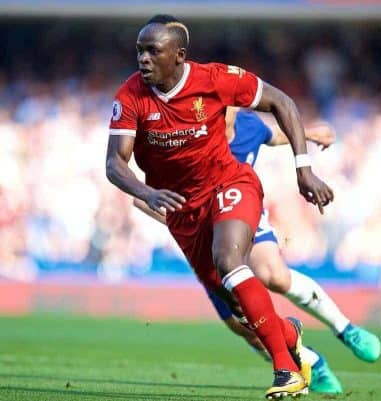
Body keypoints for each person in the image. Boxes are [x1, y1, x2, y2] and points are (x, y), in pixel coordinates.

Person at [106, 14, 334, 398]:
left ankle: (287, 372)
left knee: (230, 261)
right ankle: (289, 333)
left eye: (153, 51)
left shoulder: (214, 79)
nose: (143, 59)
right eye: (140, 51)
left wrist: (303, 168)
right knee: (237, 305)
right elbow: (115, 163)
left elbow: (280, 101)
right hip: (183, 210)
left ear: (179, 56)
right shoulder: (129, 97)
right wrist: (147, 193)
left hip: (230, 184)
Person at [134, 108, 381, 394]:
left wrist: (309, 134)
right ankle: (311, 362)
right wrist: (181, 221)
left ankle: (346, 329)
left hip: (244, 214)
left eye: (226, 105)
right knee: (244, 327)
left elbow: (272, 135)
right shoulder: (188, 138)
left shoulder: (248, 125)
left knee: (273, 274)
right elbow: (142, 196)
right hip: (203, 232)